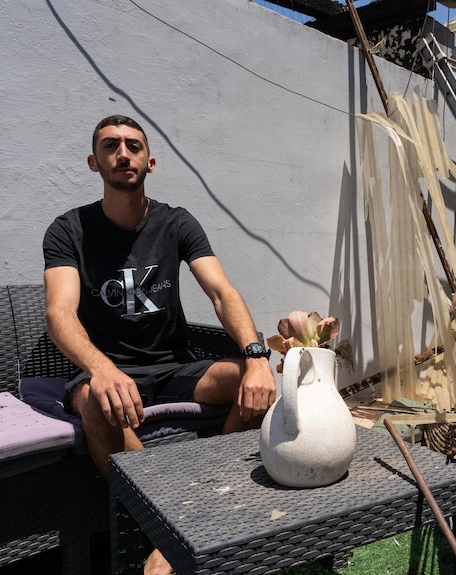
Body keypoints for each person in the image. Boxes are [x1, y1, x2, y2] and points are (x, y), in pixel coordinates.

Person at [43, 115, 276, 575]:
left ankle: (201, 504)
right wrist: (102, 368)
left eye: (133, 145)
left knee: (250, 383)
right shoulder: (69, 230)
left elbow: (221, 292)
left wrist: (256, 357)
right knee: (93, 398)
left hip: (171, 370)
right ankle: (180, 526)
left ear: (150, 161)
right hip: (105, 372)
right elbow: (60, 313)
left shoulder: (176, 222)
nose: (122, 154)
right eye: (111, 146)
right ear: (95, 163)